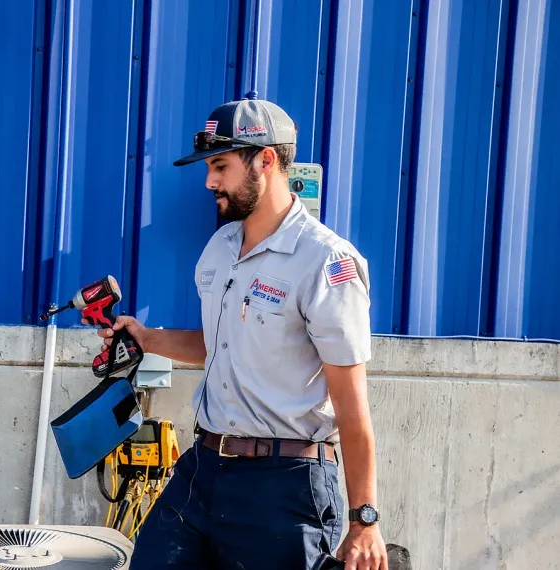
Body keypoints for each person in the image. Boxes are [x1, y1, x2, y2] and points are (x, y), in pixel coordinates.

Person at [88, 97, 388, 570]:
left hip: (285, 485)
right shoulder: (221, 247)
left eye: (221, 166)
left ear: (265, 160)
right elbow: (221, 344)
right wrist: (146, 338)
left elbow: (352, 407)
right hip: (203, 469)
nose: (209, 181)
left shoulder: (325, 263)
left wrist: (364, 520)